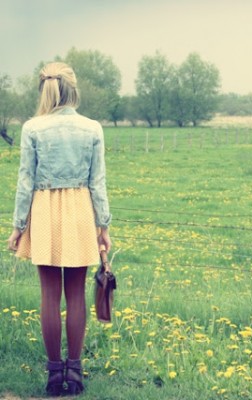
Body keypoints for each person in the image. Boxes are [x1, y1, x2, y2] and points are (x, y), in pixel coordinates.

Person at [6, 62, 112, 397]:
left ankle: (54, 375)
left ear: (45, 90)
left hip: (44, 212)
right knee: (76, 295)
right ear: (73, 89)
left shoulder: (32, 128)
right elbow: (98, 182)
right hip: (80, 210)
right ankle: (75, 374)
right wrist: (103, 225)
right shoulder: (92, 128)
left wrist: (18, 226)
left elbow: (26, 181)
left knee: (49, 296)